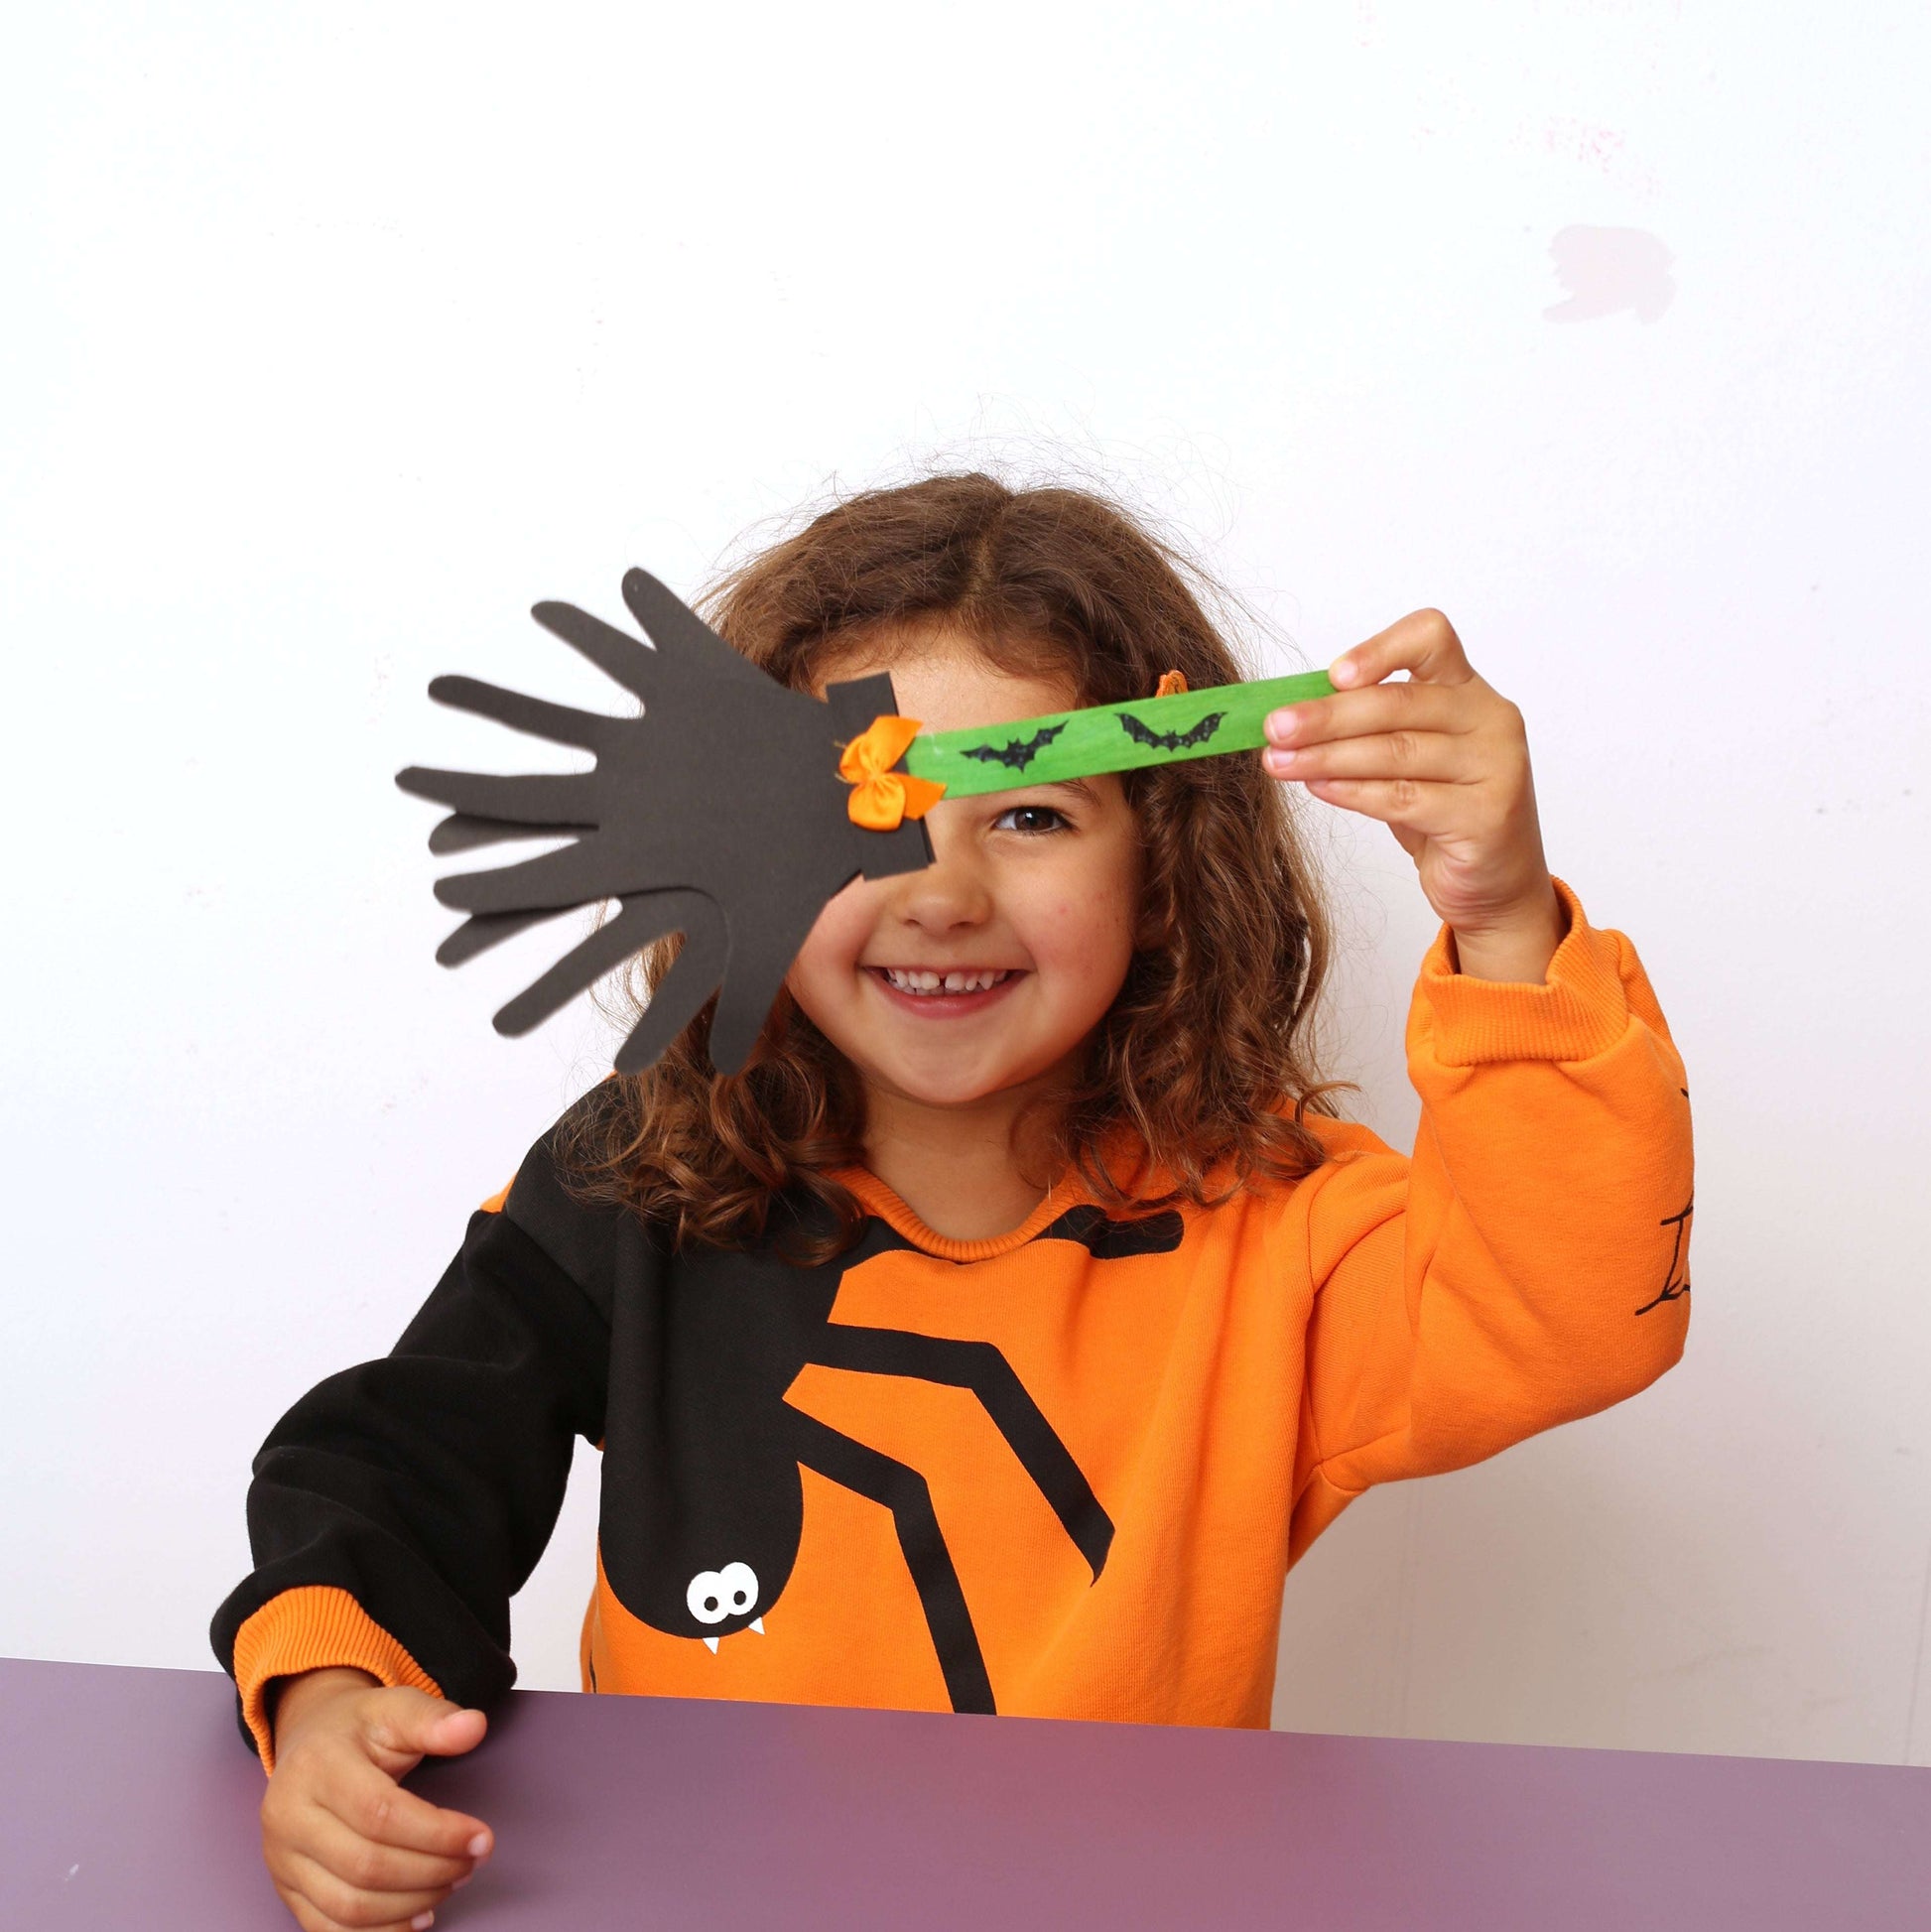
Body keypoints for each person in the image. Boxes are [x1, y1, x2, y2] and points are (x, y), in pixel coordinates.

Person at [212, 472, 1692, 1932]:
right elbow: (405, 1457)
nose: (940, 890)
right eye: (870, 814)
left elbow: (1565, 1317)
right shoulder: (640, 1176)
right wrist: (335, 1692)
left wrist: (1500, 916)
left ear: (1164, 871)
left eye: (1031, 816)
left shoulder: (1275, 1226)